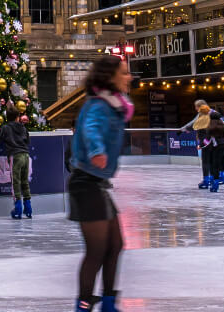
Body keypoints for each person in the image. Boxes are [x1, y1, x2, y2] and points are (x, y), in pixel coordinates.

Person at [71, 53, 132, 312]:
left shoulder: (115, 105)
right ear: (110, 77)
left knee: (115, 245)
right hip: (86, 182)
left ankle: (108, 303)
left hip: (98, 184)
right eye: (124, 72)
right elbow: (90, 128)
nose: (129, 77)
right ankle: (83, 305)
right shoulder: (98, 105)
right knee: (97, 250)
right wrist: (96, 150)